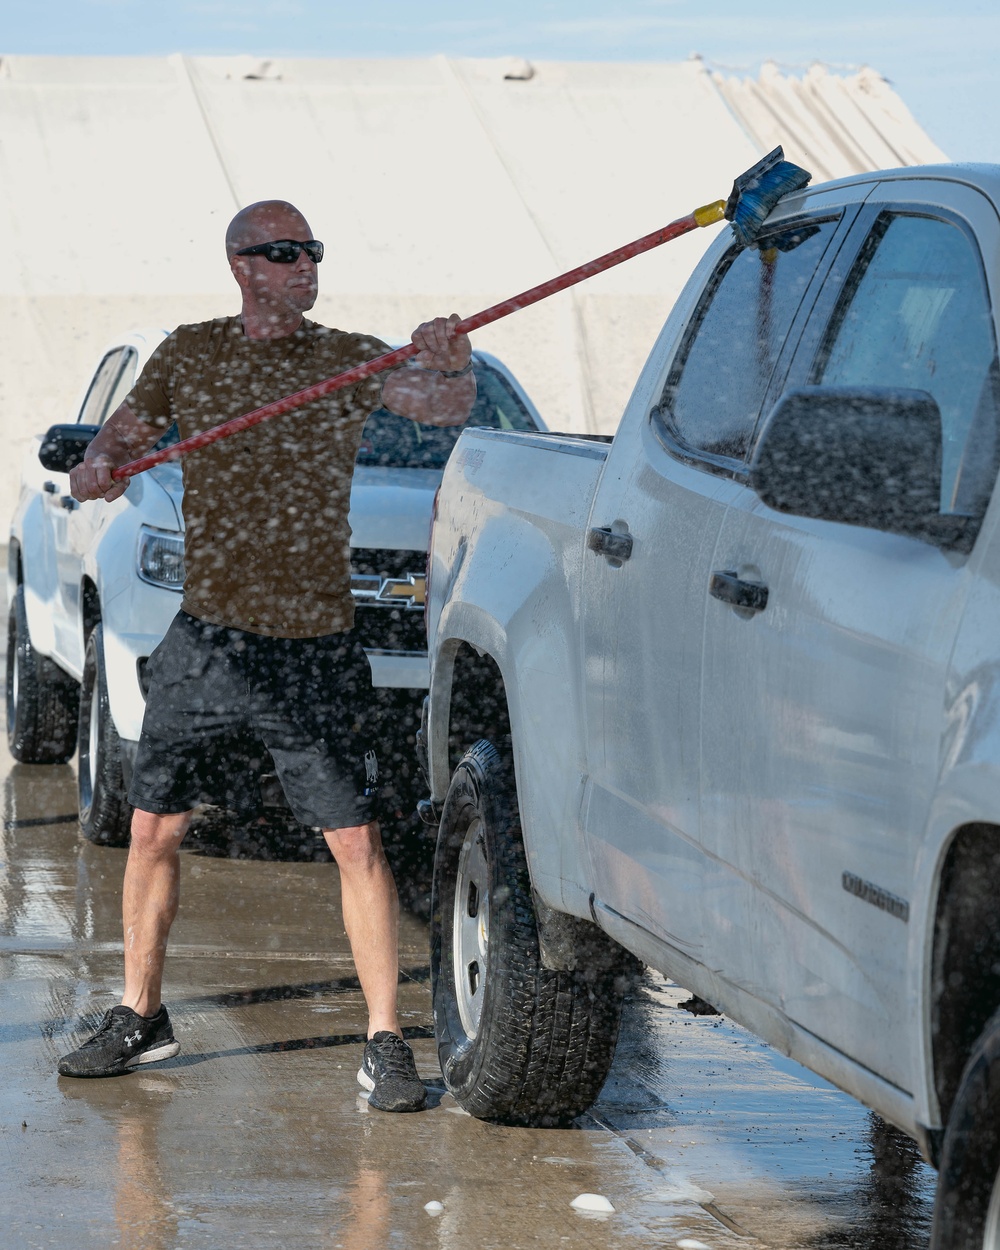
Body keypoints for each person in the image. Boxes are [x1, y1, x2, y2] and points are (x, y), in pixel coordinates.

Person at [56, 200, 476, 1113]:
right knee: (153, 827)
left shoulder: (343, 358)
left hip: (314, 646)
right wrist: (97, 466)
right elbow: (119, 442)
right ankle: (140, 1012)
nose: (304, 266)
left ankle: (383, 1042)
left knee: (356, 842)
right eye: (284, 253)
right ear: (242, 264)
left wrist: (452, 356)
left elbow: (443, 407)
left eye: (312, 252)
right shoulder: (192, 354)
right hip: (207, 637)